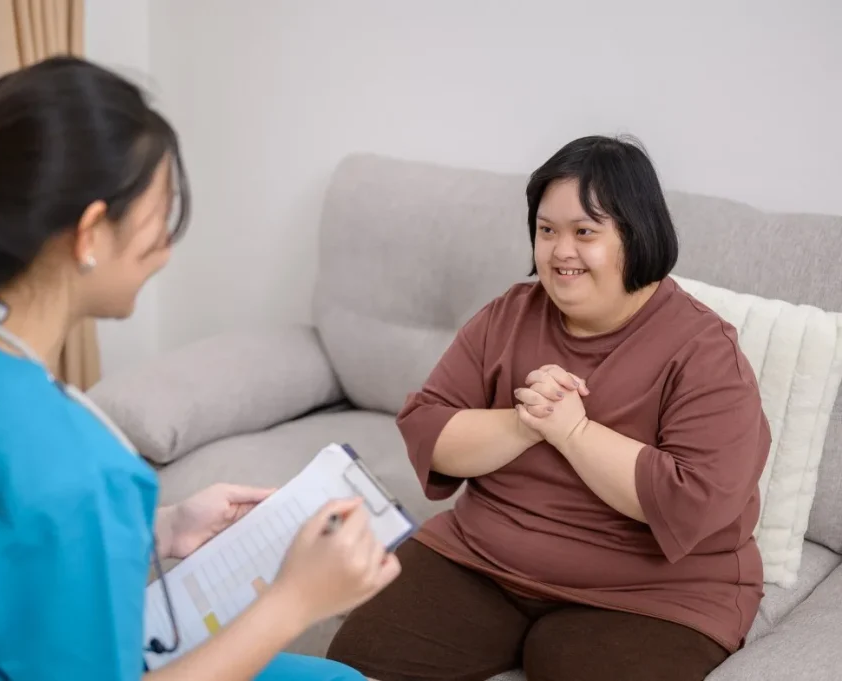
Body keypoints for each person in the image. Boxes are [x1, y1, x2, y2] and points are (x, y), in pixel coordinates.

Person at [0, 57, 398, 681]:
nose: (166, 253)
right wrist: (295, 602)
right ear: (91, 232)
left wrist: (164, 528)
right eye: (158, 224)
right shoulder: (76, 466)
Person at [325, 135, 771, 681]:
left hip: (650, 596)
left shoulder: (704, 351)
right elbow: (428, 426)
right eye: (547, 230)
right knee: (352, 664)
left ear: (638, 234)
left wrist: (573, 432)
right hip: (481, 563)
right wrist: (523, 422)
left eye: (585, 232)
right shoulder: (508, 315)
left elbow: (695, 501)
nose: (561, 252)